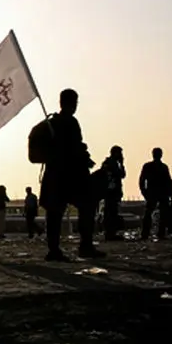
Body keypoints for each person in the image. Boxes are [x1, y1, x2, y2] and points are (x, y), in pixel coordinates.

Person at [39, 89, 103, 261]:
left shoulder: (51, 123)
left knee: (54, 214)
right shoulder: (70, 122)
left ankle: (54, 249)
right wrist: (85, 159)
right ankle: (85, 246)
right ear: (72, 103)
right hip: (71, 175)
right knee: (86, 207)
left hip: (55, 175)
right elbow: (75, 147)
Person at [138, 148, 172, 240]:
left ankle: (157, 234)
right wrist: (144, 192)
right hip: (154, 193)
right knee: (149, 214)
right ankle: (147, 234)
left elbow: (169, 182)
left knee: (160, 214)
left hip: (159, 193)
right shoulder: (151, 166)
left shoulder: (162, 167)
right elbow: (142, 180)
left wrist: (171, 195)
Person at [99, 146, 126, 241]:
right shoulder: (111, 164)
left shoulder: (110, 163)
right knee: (111, 213)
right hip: (111, 192)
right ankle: (110, 233)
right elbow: (121, 174)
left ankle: (111, 233)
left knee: (112, 213)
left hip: (112, 191)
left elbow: (122, 175)